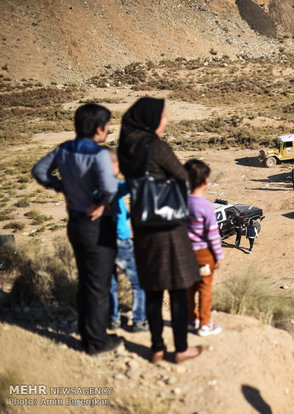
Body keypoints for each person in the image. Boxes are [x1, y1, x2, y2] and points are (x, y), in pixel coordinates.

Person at [32, 103, 122, 355]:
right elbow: (110, 187)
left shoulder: (63, 149)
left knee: (86, 280)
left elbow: (39, 171)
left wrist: (64, 189)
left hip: (76, 223)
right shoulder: (99, 154)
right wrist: (100, 204)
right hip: (97, 225)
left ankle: (88, 332)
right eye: (106, 126)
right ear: (98, 129)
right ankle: (96, 342)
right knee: (100, 284)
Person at [118, 97, 201, 364]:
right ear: (151, 119)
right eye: (163, 117)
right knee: (177, 289)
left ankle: (155, 348)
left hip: (142, 225)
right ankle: (180, 349)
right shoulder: (156, 147)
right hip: (168, 225)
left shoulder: (126, 147)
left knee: (153, 290)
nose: (166, 121)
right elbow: (183, 177)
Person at [105, 148, 148, 333]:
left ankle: (113, 319)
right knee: (138, 282)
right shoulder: (113, 185)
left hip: (102, 241)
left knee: (110, 283)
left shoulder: (93, 185)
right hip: (121, 240)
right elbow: (131, 185)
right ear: (114, 166)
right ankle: (139, 320)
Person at [184, 159, 224, 337]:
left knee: (189, 289)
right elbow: (213, 235)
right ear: (206, 181)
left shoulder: (180, 202)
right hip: (203, 255)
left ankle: (191, 321)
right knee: (205, 288)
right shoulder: (206, 207)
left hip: (184, 254)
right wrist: (219, 256)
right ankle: (205, 324)